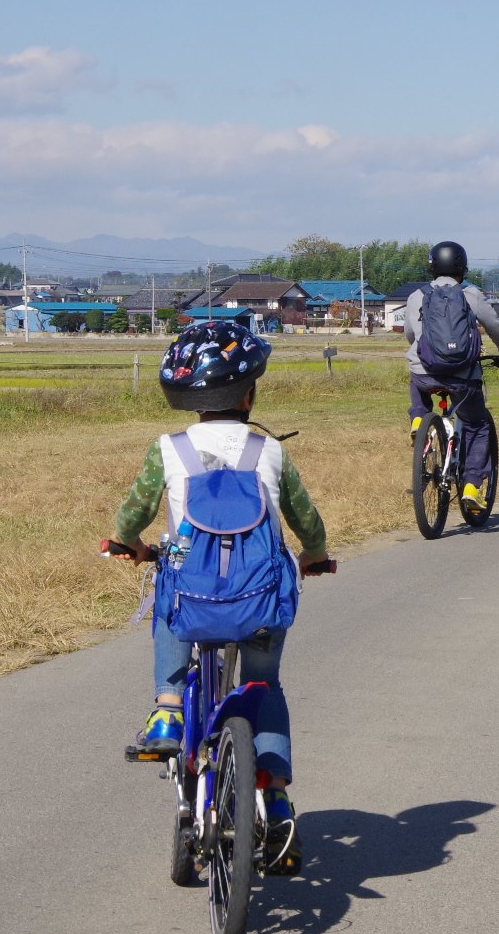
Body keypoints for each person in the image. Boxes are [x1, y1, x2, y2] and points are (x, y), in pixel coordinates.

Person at [107, 320, 333, 875]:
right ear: (249, 393)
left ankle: (166, 713)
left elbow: (134, 512)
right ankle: (276, 801)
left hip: (194, 596)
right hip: (258, 598)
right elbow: (305, 518)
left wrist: (127, 544)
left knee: (169, 594)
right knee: (264, 687)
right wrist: (315, 554)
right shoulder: (269, 452)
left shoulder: (170, 449)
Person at [405, 240, 499, 516]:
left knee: (417, 379)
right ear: (463, 267)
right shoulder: (472, 294)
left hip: (425, 372)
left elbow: (412, 336)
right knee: (477, 424)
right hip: (463, 377)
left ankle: (420, 419)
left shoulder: (415, 296)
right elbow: (494, 325)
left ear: (432, 267)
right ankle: (471, 487)